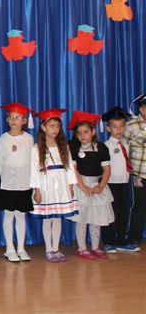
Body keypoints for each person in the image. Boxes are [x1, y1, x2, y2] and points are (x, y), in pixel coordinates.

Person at [29, 109, 78, 263]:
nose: (55, 129)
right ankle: (49, 249)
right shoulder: (36, 148)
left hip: (61, 185)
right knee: (47, 218)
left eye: (57, 126)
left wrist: (71, 186)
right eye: (51, 126)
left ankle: (56, 248)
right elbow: (34, 170)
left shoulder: (64, 146)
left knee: (57, 218)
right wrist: (37, 190)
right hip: (46, 185)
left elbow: (70, 167)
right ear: (43, 127)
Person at [67, 111, 114, 259]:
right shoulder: (73, 147)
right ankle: (82, 248)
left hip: (97, 185)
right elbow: (74, 170)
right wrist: (84, 187)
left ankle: (95, 246)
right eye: (79, 133)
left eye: (86, 132)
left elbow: (107, 169)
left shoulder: (101, 147)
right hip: (81, 185)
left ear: (93, 132)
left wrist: (100, 186)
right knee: (82, 219)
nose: (82, 135)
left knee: (96, 218)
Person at [0, 103, 35, 262]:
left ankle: (21, 248)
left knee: (21, 216)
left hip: (24, 183)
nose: (14, 120)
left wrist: (33, 182)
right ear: (7, 120)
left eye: (18, 117)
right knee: (9, 215)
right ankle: (9, 248)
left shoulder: (29, 139)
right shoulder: (3, 139)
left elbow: (32, 162)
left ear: (24, 121)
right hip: (8, 183)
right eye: (11, 117)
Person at [101, 106, 139, 252]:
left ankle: (121, 240)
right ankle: (108, 241)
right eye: (114, 126)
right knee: (111, 213)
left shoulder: (127, 144)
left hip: (124, 182)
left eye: (122, 126)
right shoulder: (106, 146)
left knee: (123, 212)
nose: (119, 129)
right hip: (111, 183)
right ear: (108, 128)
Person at [125, 93, 146, 247]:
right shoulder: (131, 125)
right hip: (140, 173)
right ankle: (134, 236)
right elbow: (123, 147)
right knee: (139, 205)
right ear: (141, 109)